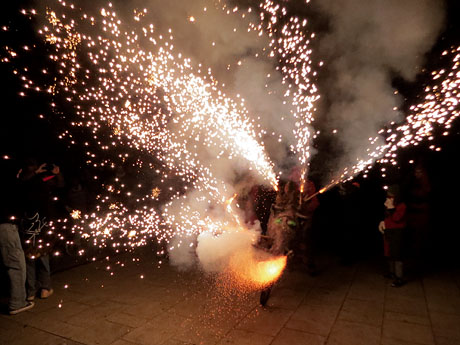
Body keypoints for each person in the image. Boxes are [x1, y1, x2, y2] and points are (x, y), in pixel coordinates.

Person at [18, 159, 64, 301]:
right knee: (38, 256)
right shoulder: (33, 181)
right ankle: (42, 288)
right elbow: (59, 184)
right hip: (38, 223)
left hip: (32, 224)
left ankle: (33, 291)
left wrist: (57, 174)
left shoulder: (30, 181)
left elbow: (60, 185)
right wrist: (54, 174)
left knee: (31, 257)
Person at [0, 157, 35, 314]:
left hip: (6, 227)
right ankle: (17, 303)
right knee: (16, 264)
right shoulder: (11, 185)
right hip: (6, 227)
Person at [378, 184, 407, 287]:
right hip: (389, 232)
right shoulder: (390, 201)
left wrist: (391, 208)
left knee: (397, 255)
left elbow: (396, 218)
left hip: (397, 233)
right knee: (389, 253)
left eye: (391, 195)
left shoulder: (402, 206)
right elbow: (387, 217)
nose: (389, 197)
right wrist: (383, 222)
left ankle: (399, 278)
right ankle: (391, 273)